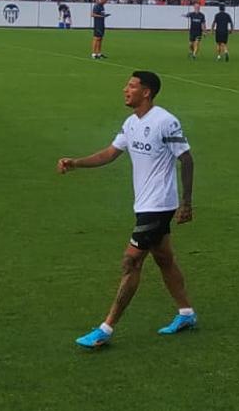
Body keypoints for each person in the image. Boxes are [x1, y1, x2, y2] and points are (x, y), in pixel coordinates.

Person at [58, 71, 197, 349]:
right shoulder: (131, 123)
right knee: (164, 259)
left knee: (131, 262)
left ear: (146, 92)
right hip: (144, 204)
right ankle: (186, 314)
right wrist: (76, 163)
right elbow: (110, 153)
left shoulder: (165, 122)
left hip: (158, 207)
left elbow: (186, 159)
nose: (125, 90)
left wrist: (186, 203)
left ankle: (105, 329)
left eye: (131, 86)